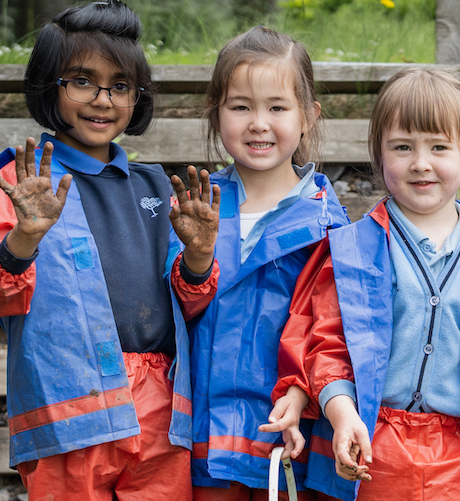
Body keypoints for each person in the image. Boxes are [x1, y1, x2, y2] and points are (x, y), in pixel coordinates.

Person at [0, 1, 221, 499]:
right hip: (67, 412)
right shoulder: (20, 183)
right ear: (47, 86)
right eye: (81, 81)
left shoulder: (156, 187)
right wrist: (24, 237)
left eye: (120, 86)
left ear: (138, 97)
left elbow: (190, 304)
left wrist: (200, 257)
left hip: (162, 412)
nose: (102, 100)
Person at [271, 68, 460, 501]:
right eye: (402, 147)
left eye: (439, 147)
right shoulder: (353, 249)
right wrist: (342, 415)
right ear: (379, 152)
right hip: (367, 448)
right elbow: (327, 345)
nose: (420, 163)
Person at [187, 26, 349, 501]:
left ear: (308, 116)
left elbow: (329, 330)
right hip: (205, 436)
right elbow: (178, 308)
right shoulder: (197, 208)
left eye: (277, 108)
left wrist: (299, 393)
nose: (259, 123)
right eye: (240, 107)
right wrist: (196, 257)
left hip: (291, 436)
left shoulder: (328, 225)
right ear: (216, 113)